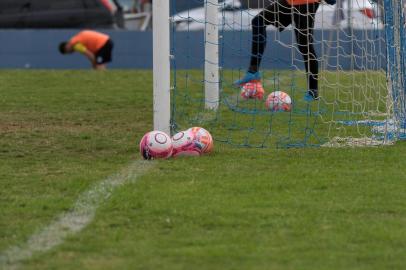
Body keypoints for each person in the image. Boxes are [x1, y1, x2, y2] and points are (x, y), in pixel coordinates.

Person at [235, 0, 336, 101]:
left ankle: (313, 91)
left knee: (305, 45)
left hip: (306, 3)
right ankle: (253, 72)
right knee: (258, 21)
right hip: (288, 2)